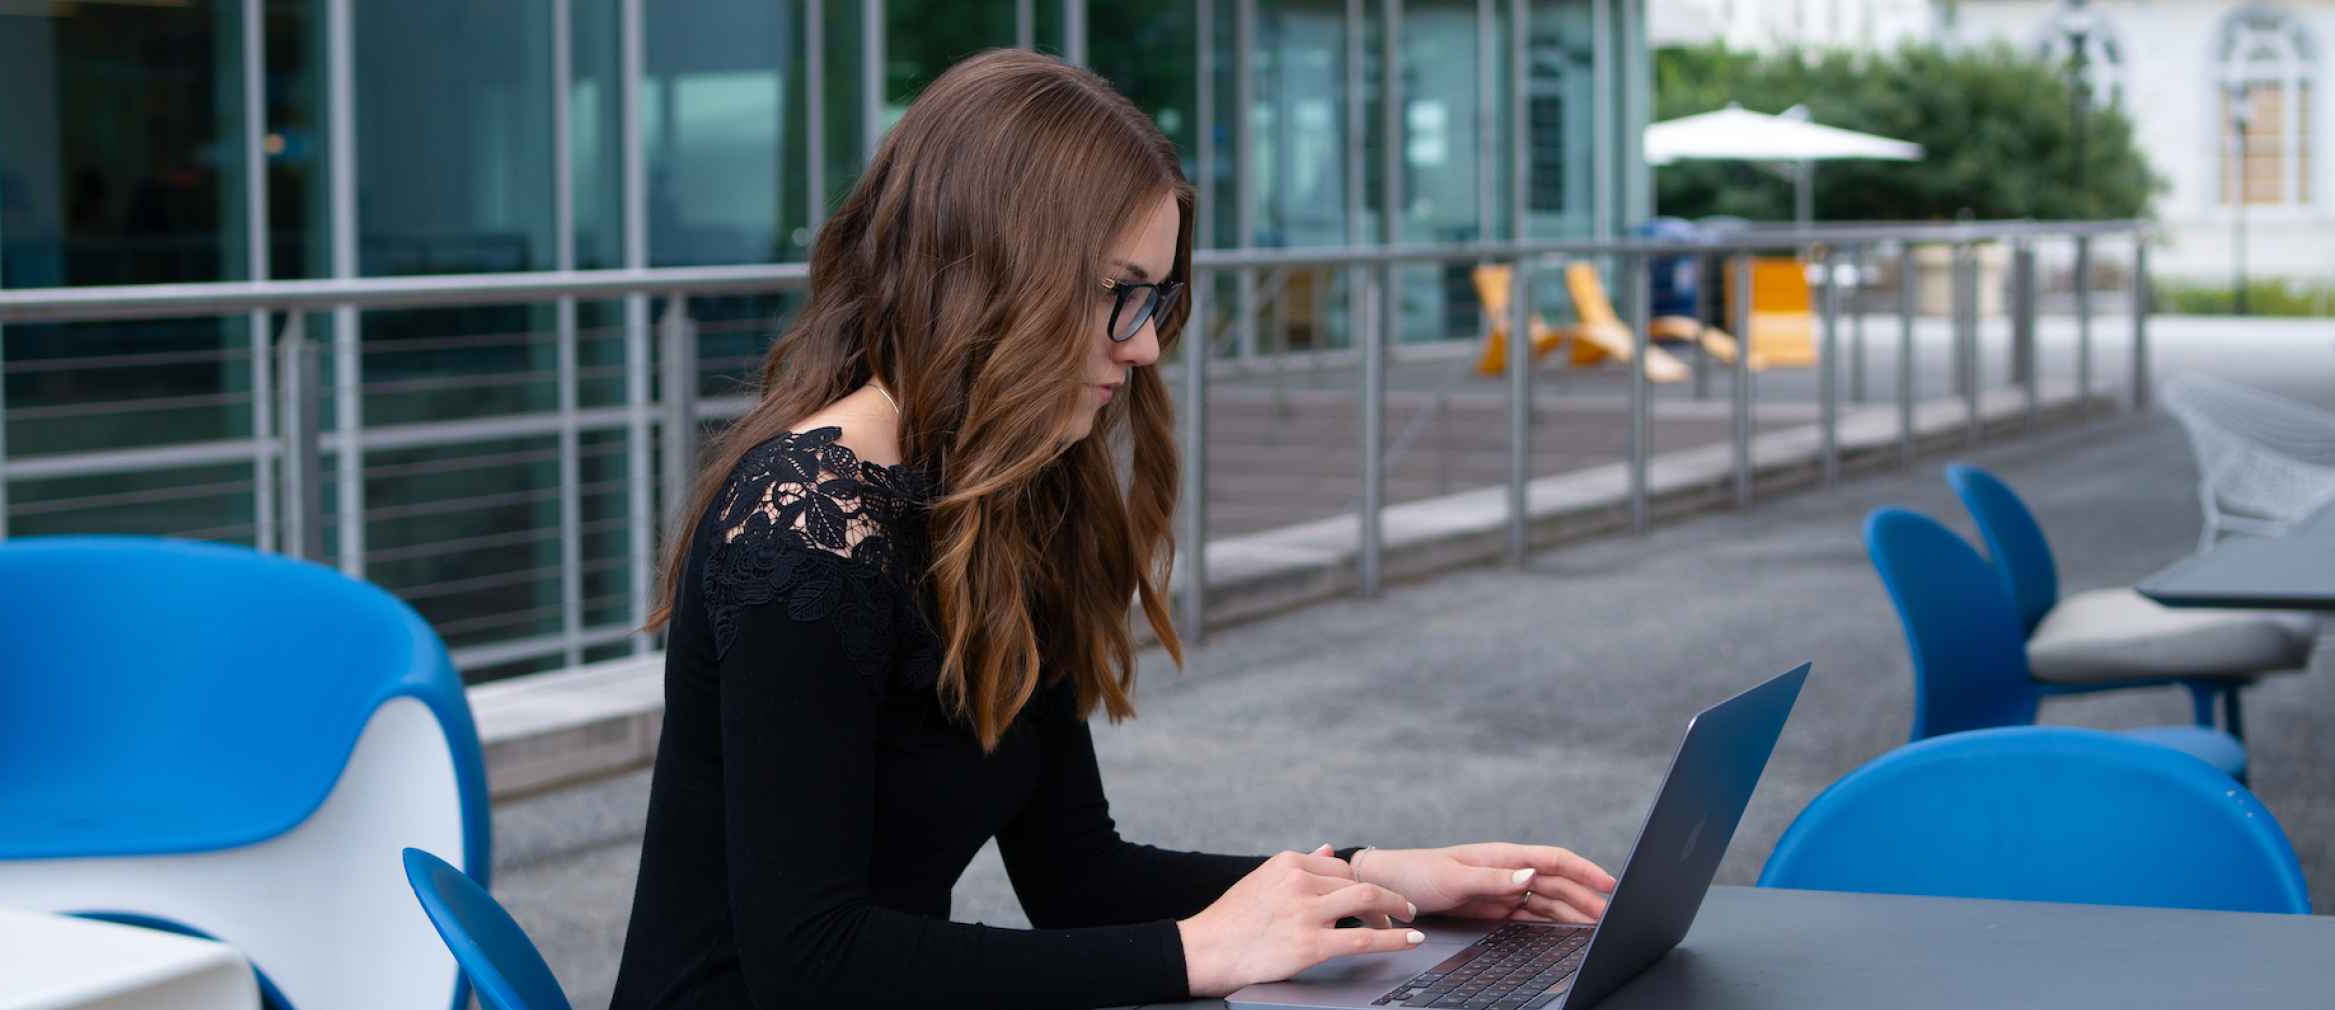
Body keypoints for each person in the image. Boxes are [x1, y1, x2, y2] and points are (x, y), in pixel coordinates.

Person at [606, 49, 1616, 1010]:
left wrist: (1368, 877)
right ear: (994, 275)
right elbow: (808, 963)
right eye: (1116, 296)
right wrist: (1202, 950)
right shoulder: (802, 528)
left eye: (1155, 299)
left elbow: (1078, 874)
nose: (1139, 348)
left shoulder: (1002, 492)